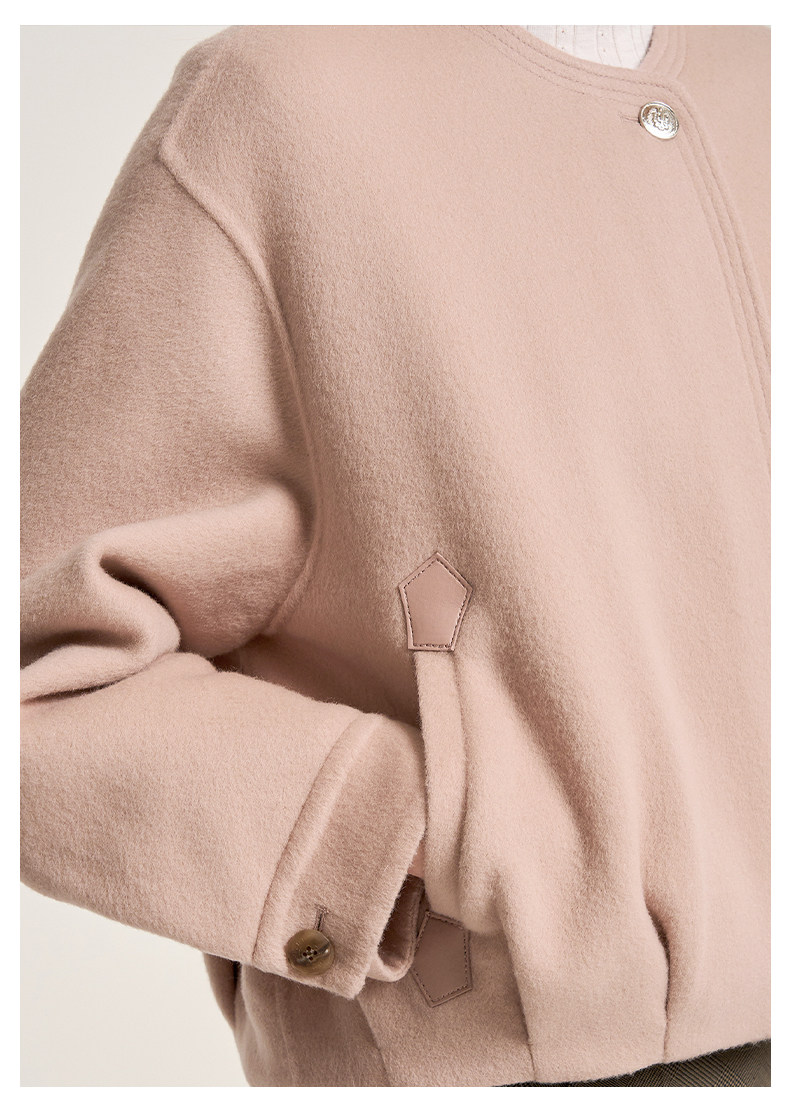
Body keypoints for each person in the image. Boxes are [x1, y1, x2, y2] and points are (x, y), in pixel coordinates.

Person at [20, 25, 770, 1087]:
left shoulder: (760, 73)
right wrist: (415, 832)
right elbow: (37, 676)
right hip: (519, 1057)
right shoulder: (277, 107)